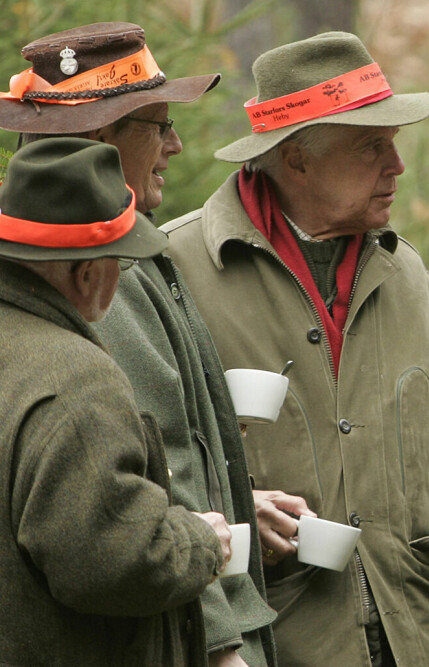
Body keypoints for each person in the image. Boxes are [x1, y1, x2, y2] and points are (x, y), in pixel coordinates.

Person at [162, 32, 429, 666]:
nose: (396, 165)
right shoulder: (171, 274)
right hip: (270, 647)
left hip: (428, 645)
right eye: (371, 146)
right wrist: (235, 515)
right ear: (295, 159)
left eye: (394, 144)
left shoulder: (410, 278)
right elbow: (141, 482)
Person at [0, 22, 277, 667]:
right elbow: (128, 510)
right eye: (157, 124)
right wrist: (219, 644)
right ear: (99, 141)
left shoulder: (94, 260)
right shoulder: (96, 275)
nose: (175, 145)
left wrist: (238, 502)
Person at [0, 137, 233, 665]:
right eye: (120, 260)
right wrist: (199, 541)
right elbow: (110, 562)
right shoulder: (79, 382)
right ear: (86, 272)